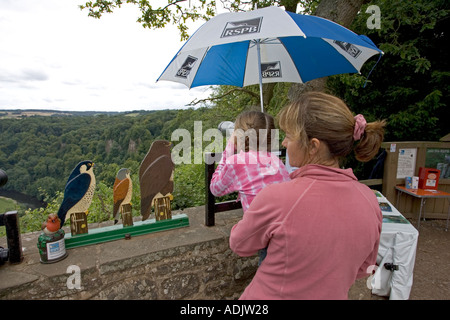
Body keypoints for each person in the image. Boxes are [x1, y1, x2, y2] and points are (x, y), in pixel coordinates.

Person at [229, 92, 386, 300]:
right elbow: (364, 268)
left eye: (289, 135)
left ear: (313, 146)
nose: (284, 143)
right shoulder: (370, 200)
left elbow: (239, 245)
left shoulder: (277, 197)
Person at [210, 110, 291, 263]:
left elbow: (215, 188)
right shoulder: (275, 160)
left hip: (266, 237)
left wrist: (228, 151)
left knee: (270, 278)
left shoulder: (237, 162)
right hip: (287, 230)